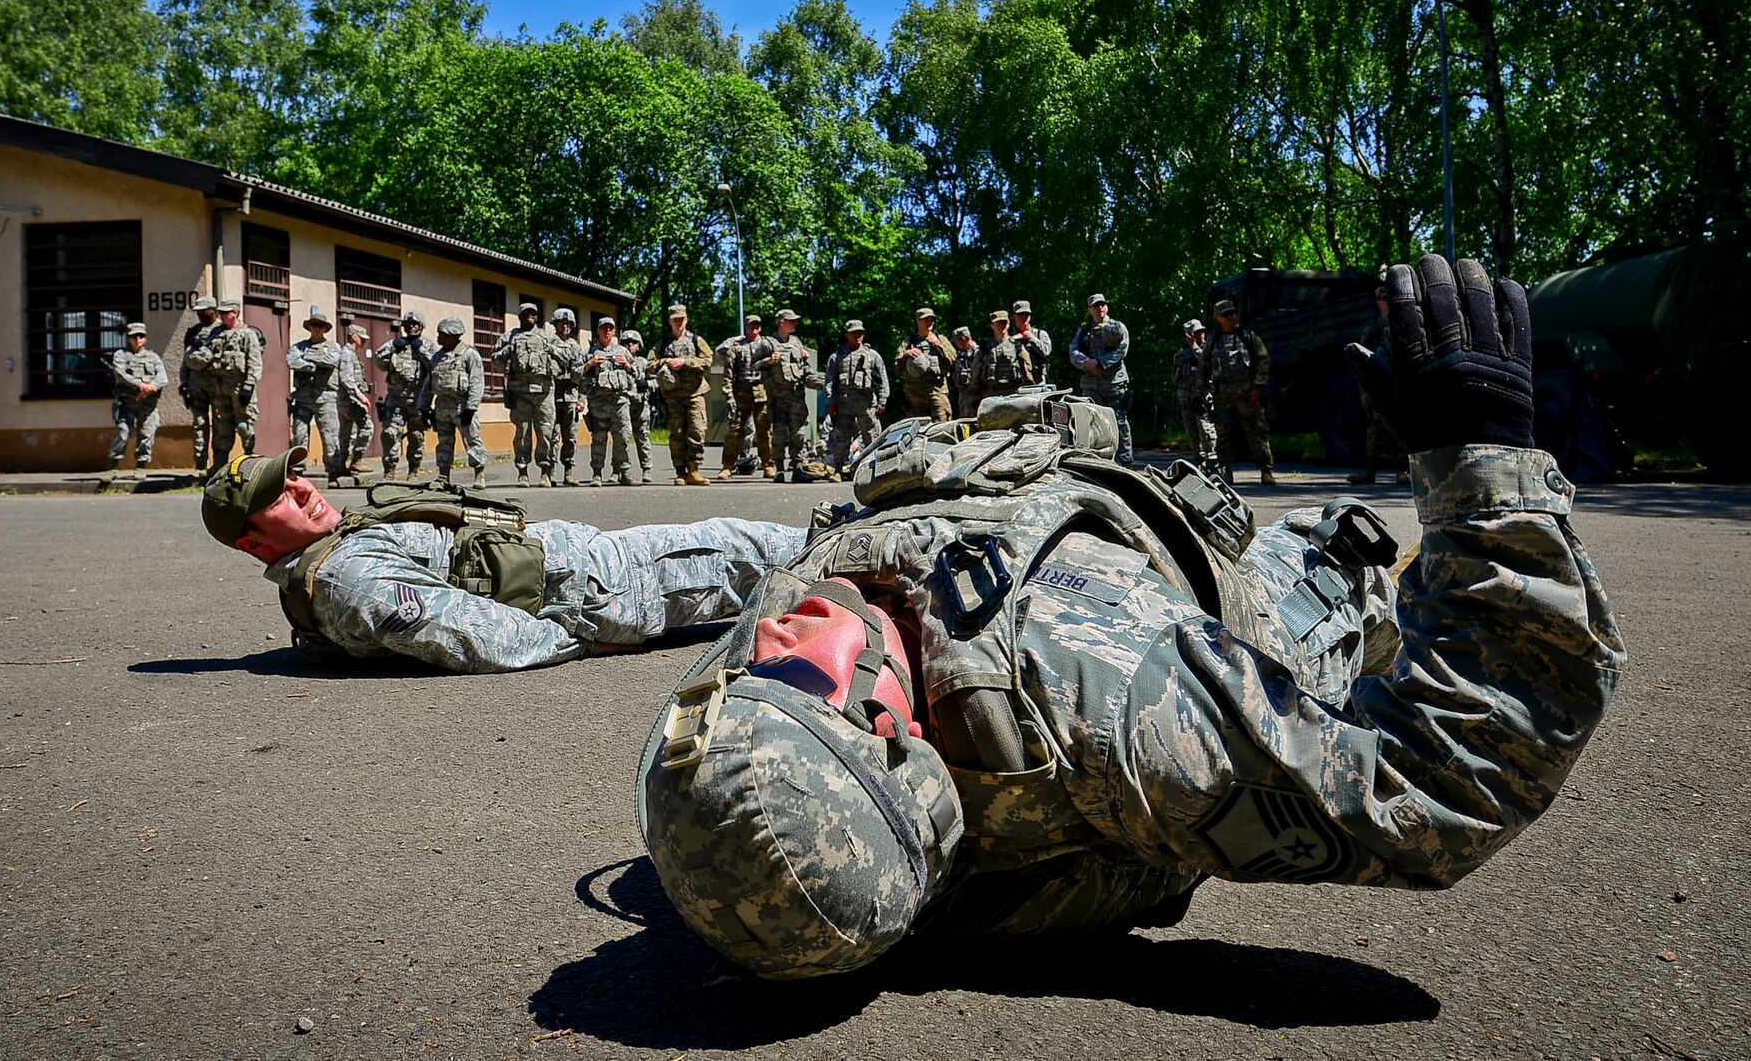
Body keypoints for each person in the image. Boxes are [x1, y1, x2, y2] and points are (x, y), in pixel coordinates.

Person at [640, 254, 1626, 980]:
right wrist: (1485, 474)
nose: (776, 633)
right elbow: (1439, 786)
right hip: (1231, 611)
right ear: (894, 733)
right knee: (1335, 550)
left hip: (1054, 523)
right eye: (798, 675)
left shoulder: (778, 679)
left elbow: (673, 588)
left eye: (746, 678)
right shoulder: (1109, 700)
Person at [197, 447, 806, 670]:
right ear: (254, 543)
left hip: (580, 564)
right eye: (278, 496)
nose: (303, 489)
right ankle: (878, 535)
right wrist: (581, 638)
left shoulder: (326, 559)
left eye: (292, 477)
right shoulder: (352, 580)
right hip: (594, 586)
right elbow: (473, 633)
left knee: (754, 549)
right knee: (756, 550)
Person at [1204, 298, 1275, 486]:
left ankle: (1266, 470)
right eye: (1226, 315)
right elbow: (1204, 367)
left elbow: (1263, 359)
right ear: (1218, 318)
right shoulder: (1213, 340)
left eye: (1233, 313)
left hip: (1247, 394)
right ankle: (1225, 471)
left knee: (1256, 431)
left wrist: (1257, 386)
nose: (1231, 317)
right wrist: (1199, 392)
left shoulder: (1248, 336)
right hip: (1222, 396)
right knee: (1223, 435)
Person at [496, 301, 560, 487]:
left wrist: (551, 350)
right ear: (520, 317)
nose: (529, 316)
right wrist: (509, 350)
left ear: (537, 317)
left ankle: (545, 472)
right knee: (522, 435)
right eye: (526, 313)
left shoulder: (547, 337)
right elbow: (494, 359)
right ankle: (522, 472)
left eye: (533, 313)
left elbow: (566, 357)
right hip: (519, 394)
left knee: (545, 433)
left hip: (544, 394)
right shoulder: (510, 337)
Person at [1350, 286, 1409, 485]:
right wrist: (1363, 391)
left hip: (1401, 383)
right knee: (1376, 429)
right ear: (1378, 302)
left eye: (1389, 298)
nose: (1387, 302)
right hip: (1379, 385)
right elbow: (1360, 361)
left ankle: (1404, 470)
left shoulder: (1403, 326)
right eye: (1383, 298)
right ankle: (1369, 470)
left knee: (1403, 425)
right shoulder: (1373, 331)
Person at [1067, 293, 1134, 468]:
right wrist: (1086, 363)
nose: (1100, 308)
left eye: (1102, 304)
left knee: (1119, 422)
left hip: (1114, 384)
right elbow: (1073, 351)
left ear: (1107, 307)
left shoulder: (1117, 328)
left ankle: (1125, 461)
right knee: (1091, 423)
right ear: (1090, 309)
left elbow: (1122, 350)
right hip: (1091, 386)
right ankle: (1096, 462)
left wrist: (1100, 363)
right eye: (1096, 306)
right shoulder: (1084, 331)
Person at [650, 305, 715, 486]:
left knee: (697, 430)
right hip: (673, 396)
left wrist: (685, 362)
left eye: (682, 319)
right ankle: (680, 472)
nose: (679, 322)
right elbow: (649, 364)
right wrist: (666, 362)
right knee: (677, 433)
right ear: (670, 321)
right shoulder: (663, 344)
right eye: (675, 319)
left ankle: (694, 470)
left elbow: (708, 360)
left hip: (695, 393)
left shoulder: (696, 340)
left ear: (686, 319)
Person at [286, 307, 350, 483]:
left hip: (325, 397)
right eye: (314, 324)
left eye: (320, 325)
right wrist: (312, 365)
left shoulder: (333, 347)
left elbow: (331, 361)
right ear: (309, 327)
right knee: (299, 435)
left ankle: (333, 471)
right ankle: (297, 471)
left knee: (330, 435)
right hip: (302, 397)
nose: (317, 328)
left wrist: (307, 360)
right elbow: (292, 361)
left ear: (325, 328)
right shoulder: (299, 346)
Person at [425, 316, 488, 489]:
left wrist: (471, 407)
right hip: (442, 406)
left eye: (442, 335)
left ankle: (479, 474)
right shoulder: (437, 357)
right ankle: (443, 476)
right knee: (444, 442)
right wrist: (424, 407)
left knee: (472, 440)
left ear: (453, 335)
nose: (439, 338)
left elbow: (477, 382)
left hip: (462, 406)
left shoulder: (469, 355)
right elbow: (428, 384)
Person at [825, 318, 890, 473]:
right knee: (841, 436)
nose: (858, 336)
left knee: (872, 436)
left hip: (867, 403)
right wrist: (831, 402)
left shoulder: (872, 356)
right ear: (847, 335)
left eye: (860, 333)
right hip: (844, 403)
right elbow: (830, 381)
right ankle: (838, 468)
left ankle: (874, 469)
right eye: (854, 333)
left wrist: (882, 400)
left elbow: (882, 379)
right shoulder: (837, 357)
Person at [758, 309, 816, 483]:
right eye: (792, 321)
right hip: (778, 397)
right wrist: (768, 361)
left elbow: (803, 369)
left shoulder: (797, 342)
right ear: (782, 322)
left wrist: (806, 361)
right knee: (779, 435)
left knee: (798, 434)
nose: (795, 324)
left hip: (796, 397)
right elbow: (752, 365)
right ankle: (779, 470)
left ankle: (797, 468)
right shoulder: (767, 343)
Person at [376, 313, 436, 479]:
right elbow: (379, 362)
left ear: (421, 326)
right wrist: (394, 347)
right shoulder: (395, 344)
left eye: (415, 324)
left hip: (418, 399)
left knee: (416, 436)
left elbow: (436, 365)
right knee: (389, 433)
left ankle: (413, 472)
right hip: (396, 397)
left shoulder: (428, 345)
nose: (411, 327)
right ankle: (389, 472)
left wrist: (421, 349)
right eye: (408, 324)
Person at [581, 315, 638, 486]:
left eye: (610, 328)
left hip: (620, 402)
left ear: (614, 331)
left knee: (623, 438)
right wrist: (590, 363)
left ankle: (625, 472)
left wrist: (627, 365)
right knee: (599, 439)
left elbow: (639, 374)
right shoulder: (590, 353)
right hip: (598, 402)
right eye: (604, 328)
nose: (607, 331)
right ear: (598, 331)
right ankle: (597, 474)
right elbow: (578, 377)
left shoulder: (623, 351)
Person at [718, 314, 774, 481]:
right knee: (735, 431)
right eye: (751, 325)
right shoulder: (736, 348)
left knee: (764, 431)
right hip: (740, 394)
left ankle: (768, 464)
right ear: (746, 327)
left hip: (761, 393)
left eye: (757, 325)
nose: (754, 328)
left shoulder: (767, 345)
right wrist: (728, 394)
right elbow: (727, 374)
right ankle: (728, 466)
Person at [206, 300, 264, 462]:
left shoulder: (247, 334)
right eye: (221, 313)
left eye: (226, 313)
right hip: (219, 385)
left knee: (243, 424)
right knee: (222, 425)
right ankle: (220, 464)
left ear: (236, 313)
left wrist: (249, 385)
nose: (222, 316)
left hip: (240, 386)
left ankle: (249, 456)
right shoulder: (216, 333)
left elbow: (255, 362)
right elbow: (206, 354)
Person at [108, 321, 169, 473]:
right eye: (134, 336)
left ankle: (140, 467)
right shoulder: (121, 355)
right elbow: (121, 375)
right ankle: (113, 466)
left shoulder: (153, 357)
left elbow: (162, 379)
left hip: (147, 403)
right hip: (126, 402)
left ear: (145, 338)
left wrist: (148, 389)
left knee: (147, 435)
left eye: (141, 336)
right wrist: (140, 385)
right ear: (129, 338)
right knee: (122, 432)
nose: (137, 339)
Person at [180, 295, 221, 470]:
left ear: (212, 311)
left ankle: (219, 464)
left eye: (202, 312)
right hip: (197, 386)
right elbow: (185, 361)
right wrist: (184, 383)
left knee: (221, 425)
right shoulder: (193, 332)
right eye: (198, 312)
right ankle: (200, 463)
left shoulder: (223, 330)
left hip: (219, 387)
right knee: (199, 424)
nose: (199, 315)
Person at [549, 308, 588, 487]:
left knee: (570, 437)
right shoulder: (549, 343)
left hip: (571, 396)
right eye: (561, 323)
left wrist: (582, 398)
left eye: (568, 324)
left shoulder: (575, 346)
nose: (565, 326)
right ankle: (550, 472)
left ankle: (569, 472)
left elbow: (582, 376)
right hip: (552, 394)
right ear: (555, 325)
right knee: (552, 436)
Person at [1173, 317, 1218, 472]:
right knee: (1192, 431)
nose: (1201, 335)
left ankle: (1213, 461)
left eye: (1202, 332)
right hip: (1185, 397)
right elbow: (1176, 377)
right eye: (1197, 333)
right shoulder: (1183, 353)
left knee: (1205, 429)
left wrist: (1194, 347)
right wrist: (1175, 362)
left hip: (1201, 396)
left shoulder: (1207, 349)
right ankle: (1200, 461)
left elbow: (1208, 364)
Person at [896, 307, 956, 422]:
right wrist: (906, 354)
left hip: (937, 391)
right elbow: (897, 367)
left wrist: (937, 344)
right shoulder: (909, 341)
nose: (930, 322)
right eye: (926, 319)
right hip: (915, 394)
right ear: (917, 321)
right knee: (917, 427)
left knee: (942, 424)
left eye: (931, 319)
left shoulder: (941, 339)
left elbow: (953, 359)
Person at [338, 323, 377, 481]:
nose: (364, 342)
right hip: (349, 401)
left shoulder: (350, 354)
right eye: (362, 339)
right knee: (367, 427)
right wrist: (360, 396)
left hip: (345, 401)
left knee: (345, 434)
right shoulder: (347, 354)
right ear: (354, 337)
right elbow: (346, 379)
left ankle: (340, 466)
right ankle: (356, 460)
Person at [975, 310, 1036, 405]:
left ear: (1008, 324)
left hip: (1013, 393)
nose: (1001, 326)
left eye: (1004, 322)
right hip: (991, 394)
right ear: (992, 326)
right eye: (998, 323)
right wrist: (975, 396)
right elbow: (976, 373)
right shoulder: (985, 347)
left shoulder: (1017, 345)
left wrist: (1029, 392)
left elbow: (1027, 370)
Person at [621, 330, 655, 483]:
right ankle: (619, 470)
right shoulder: (618, 361)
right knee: (622, 438)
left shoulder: (644, 363)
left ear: (639, 345)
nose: (629, 345)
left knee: (642, 438)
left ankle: (646, 469)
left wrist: (647, 384)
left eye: (633, 343)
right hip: (623, 405)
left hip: (640, 405)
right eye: (626, 342)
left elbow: (657, 382)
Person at [948, 325, 982, 419]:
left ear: (963, 339)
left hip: (976, 398)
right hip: (964, 398)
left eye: (956, 341)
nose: (956, 344)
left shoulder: (978, 353)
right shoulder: (961, 354)